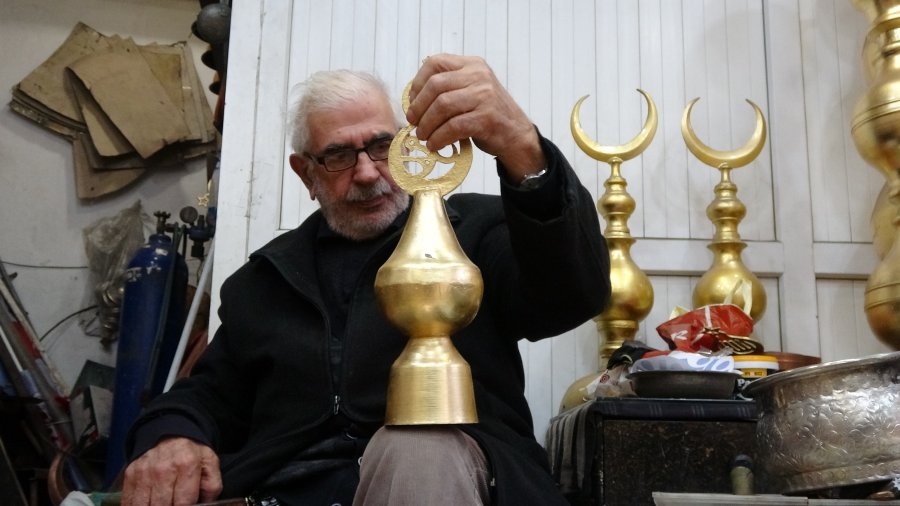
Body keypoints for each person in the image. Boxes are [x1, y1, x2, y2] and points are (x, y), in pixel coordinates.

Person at [120, 54, 610, 506]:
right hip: (289, 490)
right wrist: (172, 436)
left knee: (417, 448)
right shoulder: (265, 280)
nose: (367, 173)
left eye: (381, 146)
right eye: (338, 156)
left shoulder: (477, 235)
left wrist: (521, 146)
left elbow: (572, 295)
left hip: (444, 476)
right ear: (305, 174)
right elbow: (209, 393)